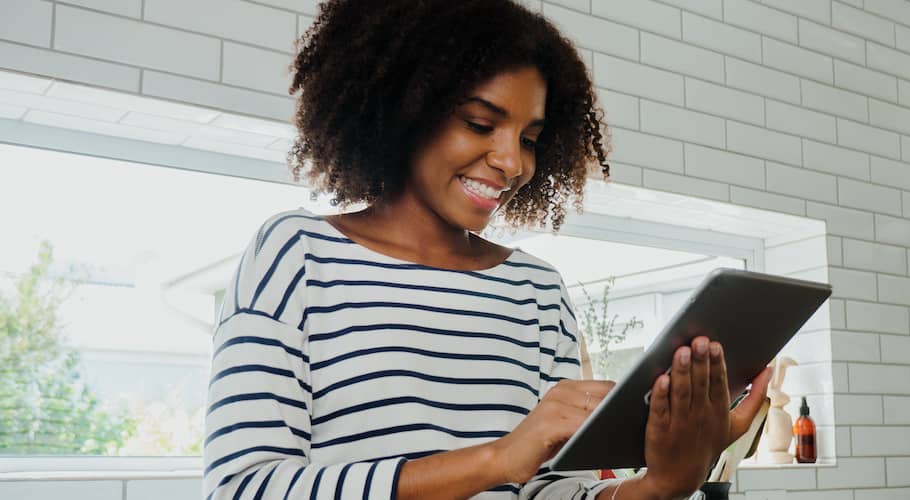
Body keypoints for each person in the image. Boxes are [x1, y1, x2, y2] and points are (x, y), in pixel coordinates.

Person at [202, 1, 773, 498]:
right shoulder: (297, 256)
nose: (513, 162)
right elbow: (246, 485)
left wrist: (664, 483)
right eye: (479, 124)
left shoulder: (537, 291)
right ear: (405, 107)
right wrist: (496, 459)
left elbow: (550, 490)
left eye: (528, 139)